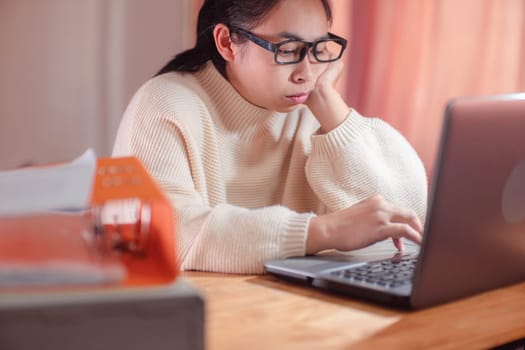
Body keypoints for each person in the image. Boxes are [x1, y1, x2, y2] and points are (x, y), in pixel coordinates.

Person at [112, 0, 428, 274]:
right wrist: (321, 232)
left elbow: (405, 217)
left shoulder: (308, 111)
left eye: (318, 49)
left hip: (295, 313)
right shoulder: (165, 103)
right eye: (288, 50)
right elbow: (164, 235)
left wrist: (329, 106)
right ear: (227, 42)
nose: (307, 71)